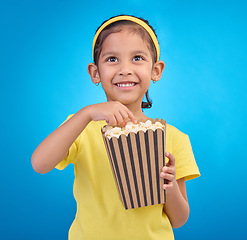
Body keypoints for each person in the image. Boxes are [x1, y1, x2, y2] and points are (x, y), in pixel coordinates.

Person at [31, 15, 200, 240]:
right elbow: (40, 164)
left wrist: (169, 188)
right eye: (112, 59)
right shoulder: (81, 126)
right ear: (95, 73)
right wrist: (86, 114)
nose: (125, 69)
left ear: (156, 70)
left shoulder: (174, 138)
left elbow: (179, 220)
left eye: (137, 58)